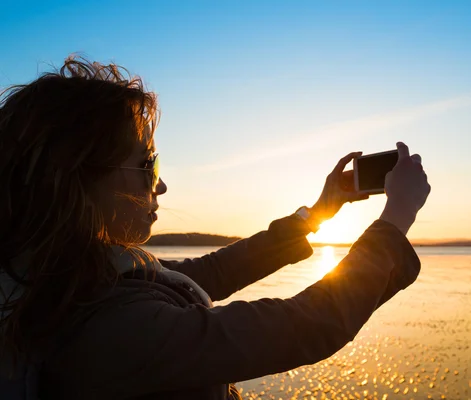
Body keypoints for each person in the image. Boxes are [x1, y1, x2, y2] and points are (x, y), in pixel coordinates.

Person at [0, 56, 431, 400]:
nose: (161, 184)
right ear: (79, 182)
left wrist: (317, 213)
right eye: (148, 164)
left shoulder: (68, 278)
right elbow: (304, 325)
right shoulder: (108, 329)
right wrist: (396, 220)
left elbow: (213, 271)